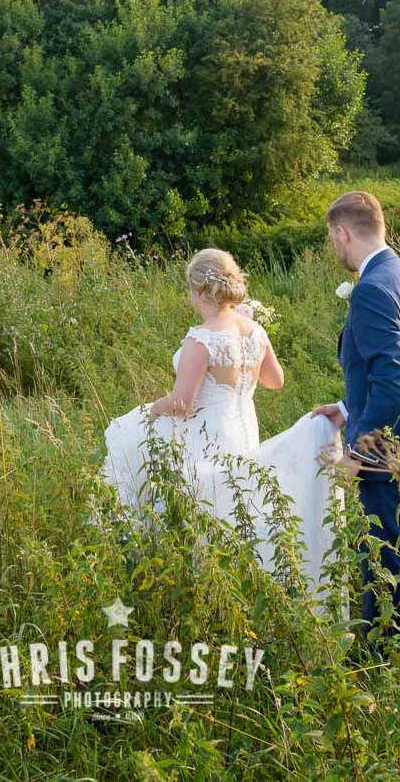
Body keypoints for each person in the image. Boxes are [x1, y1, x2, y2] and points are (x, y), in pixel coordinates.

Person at [101, 248, 343, 588]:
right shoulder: (254, 330)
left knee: (205, 504)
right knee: (240, 502)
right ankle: (243, 578)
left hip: (209, 433)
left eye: (189, 290)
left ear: (200, 291)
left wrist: (153, 408)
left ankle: (202, 584)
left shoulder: (200, 339)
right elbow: (276, 381)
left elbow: (183, 403)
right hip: (245, 428)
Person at [312, 191, 400, 650]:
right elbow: (392, 369)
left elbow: (394, 382)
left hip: (394, 450)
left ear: (343, 232)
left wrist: (358, 452)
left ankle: (397, 666)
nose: (335, 248)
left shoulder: (373, 287)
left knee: (388, 561)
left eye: (332, 238)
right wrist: (347, 407)